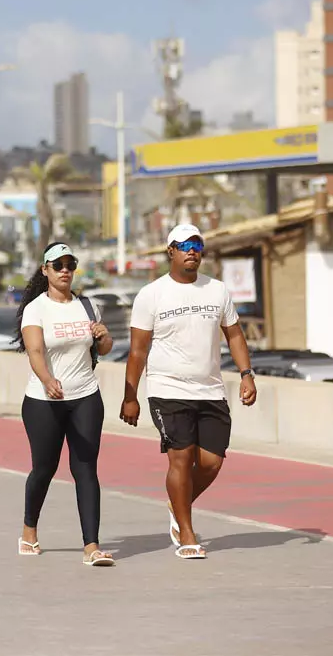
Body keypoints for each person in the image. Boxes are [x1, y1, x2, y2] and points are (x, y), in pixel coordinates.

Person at [120, 224, 257, 560]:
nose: (192, 250)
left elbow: (235, 335)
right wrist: (130, 395)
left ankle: (177, 503)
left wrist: (246, 374)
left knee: (211, 462)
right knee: (180, 458)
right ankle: (187, 533)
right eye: (184, 245)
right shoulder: (151, 294)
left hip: (210, 389)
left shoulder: (218, 291)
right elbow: (138, 351)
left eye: (197, 244)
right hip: (167, 389)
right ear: (170, 252)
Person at [13, 242, 115, 566]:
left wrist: (103, 336)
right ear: (45, 270)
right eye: (58, 265)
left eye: (70, 264)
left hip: (85, 396)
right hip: (44, 402)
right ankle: (29, 530)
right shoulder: (36, 309)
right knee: (45, 468)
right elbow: (35, 351)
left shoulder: (87, 306)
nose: (65, 270)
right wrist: (46, 379)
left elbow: (107, 348)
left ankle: (91, 547)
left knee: (85, 468)